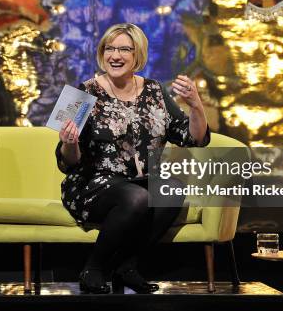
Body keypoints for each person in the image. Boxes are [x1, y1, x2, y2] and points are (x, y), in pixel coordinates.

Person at [55, 23, 210, 294]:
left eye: (124, 49)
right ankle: (94, 268)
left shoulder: (155, 92)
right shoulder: (82, 92)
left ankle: (126, 267)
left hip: (142, 181)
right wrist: (70, 143)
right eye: (109, 48)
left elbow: (193, 138)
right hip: (93, 184)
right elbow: (68, 162)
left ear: (137, 54)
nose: (115, 55)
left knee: (171, 190)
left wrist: (196, 105)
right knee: (137, 198)